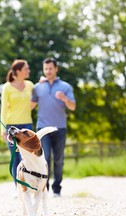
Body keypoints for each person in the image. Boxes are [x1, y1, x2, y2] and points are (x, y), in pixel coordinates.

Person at [31, 58, 76, 197]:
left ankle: (57, 189)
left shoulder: (65, 86)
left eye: (50, 68)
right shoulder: (38, 87)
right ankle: (45, 188)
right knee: (44, 159)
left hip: (59, 128)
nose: (48, 71)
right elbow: (30, 106)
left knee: (58, 159)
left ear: (56, 69)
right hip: (42, 128)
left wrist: (64, 99)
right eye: (46, 69)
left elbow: (73, 107)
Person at [0, 60, 34, 187]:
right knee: (15, 158)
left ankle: (28, 184)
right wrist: (3, 129)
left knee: (27, 158)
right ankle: (18, 187)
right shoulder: (7, 87)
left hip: (27, 125)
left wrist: (43, 82)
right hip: (11, 127)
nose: (28, 71)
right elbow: (3, 109)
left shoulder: (30, 85)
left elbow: (36, 98)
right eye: (26, 69)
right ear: (18, 71)